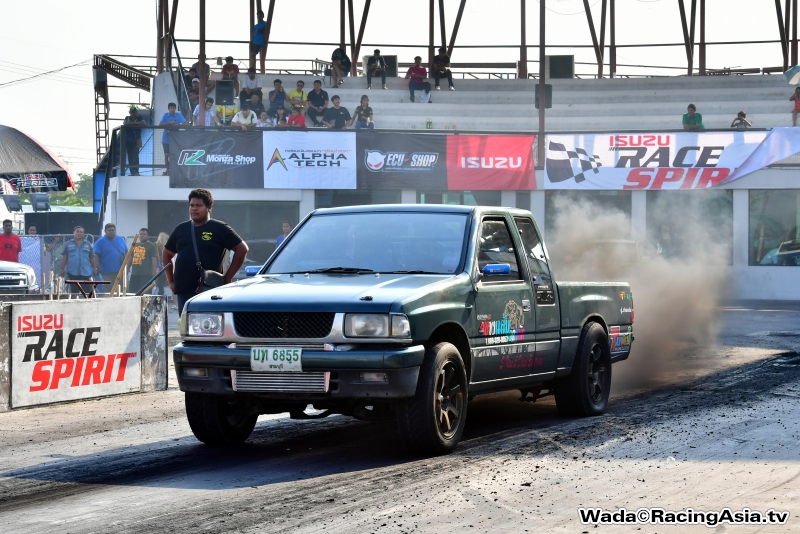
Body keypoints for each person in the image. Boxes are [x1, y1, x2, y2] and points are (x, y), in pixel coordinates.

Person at [163, 189, 249, 313]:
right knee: (186, 328)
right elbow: (167, 253)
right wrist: (171, 280)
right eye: (191, 205)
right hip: (183, 289)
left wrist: (228, 277)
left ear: (209, 207)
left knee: (208, 328)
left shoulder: (219, 228)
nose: (194, 208)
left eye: (199, 205)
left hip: (209, 289)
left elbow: (242, 249)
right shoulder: (181, 229)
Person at [92, 222, 128, 290]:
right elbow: (96, 256)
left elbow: (126, 252)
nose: (111, 232)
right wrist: (97, 268)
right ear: (105, 231)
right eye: (109, 230)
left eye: (113, 230)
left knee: (124, 290)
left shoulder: (120, 239)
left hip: (122, 271)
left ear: (115, 231)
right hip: (108, 272)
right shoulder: (100, 241)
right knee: (109, 291)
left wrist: (127, 266)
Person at [60, 226, 94, 294]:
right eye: (77, 231)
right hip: (72, 273)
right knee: (73, 294)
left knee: (87, 294)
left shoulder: (88, 244)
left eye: (81, 232)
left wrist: (95, 268)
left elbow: (92, 257)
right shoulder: (68, 244)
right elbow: (65, 256)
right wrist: (62, 268)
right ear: (74, 233)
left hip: (85, 273)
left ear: (83, 234)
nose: (79, 233)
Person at [159, 102, 188, 172]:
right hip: (166, 139)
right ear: (168, 109)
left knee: (175, 154)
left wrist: (177, 125)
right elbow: (160, 124)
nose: (172, 109)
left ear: (175, 109)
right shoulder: (165, 115)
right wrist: (169, 123)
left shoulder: (178, 115)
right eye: (171, 108)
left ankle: (175, 170)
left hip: (175, 139)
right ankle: (167, 170)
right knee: (166, 155)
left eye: (173, 108)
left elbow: (186, 123)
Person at [128, 228, 158, 294]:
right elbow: (130, 258)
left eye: (144, 234)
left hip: (146, 275)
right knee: (132, 293)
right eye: (141, 234)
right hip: (134, 274)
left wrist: (154, 274)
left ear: (148, 236)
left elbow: (154, 260)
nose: (142, 235)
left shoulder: (151, 246)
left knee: (145, 293)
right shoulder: (135, 245)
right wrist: (126, 269)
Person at [123, 107, 146, 175]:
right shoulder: (127, 117)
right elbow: (125, 123)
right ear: (129, 113)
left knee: (135, 156)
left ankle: (136, 171)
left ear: (136, 112)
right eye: (131, 112)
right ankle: (132, 172)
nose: (133, 113)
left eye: (134, 112)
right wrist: (136, 123)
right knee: (130, 156)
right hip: (128, 140)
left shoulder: (140, 117)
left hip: (137, 140)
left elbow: (144, 123)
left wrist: (132, 123)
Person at [155, 231, 170, 296]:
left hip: (158, 265)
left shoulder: (156, 245)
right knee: (166, 282)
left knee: (160, 285)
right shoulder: (169, 245)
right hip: (166, 265)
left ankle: (160, 297)